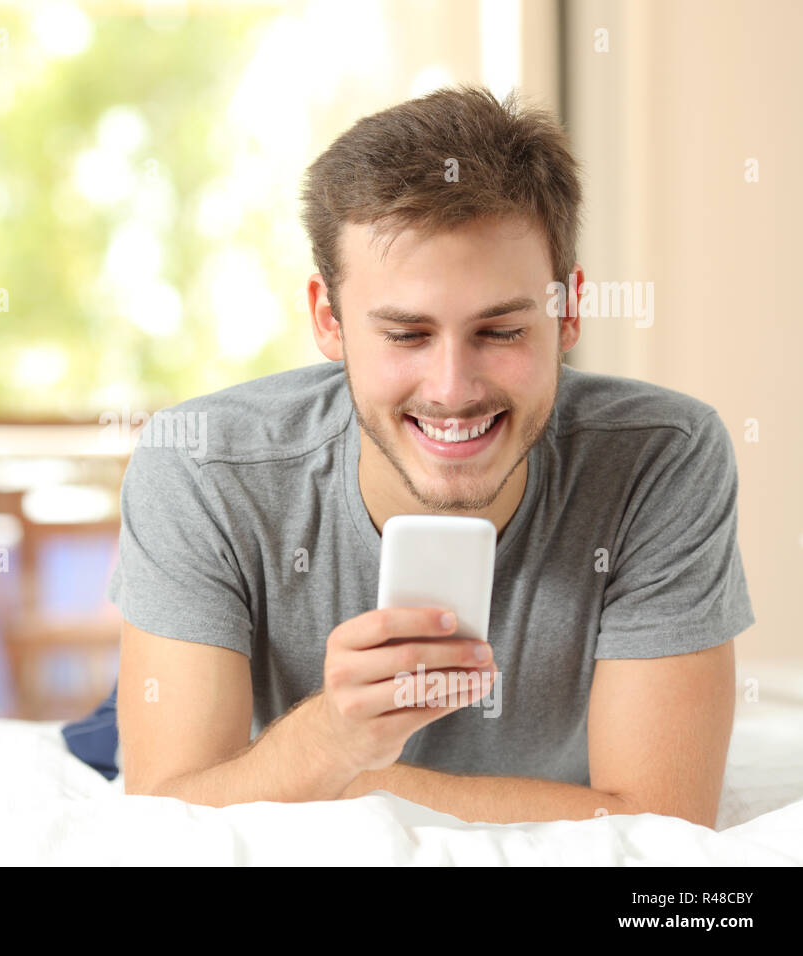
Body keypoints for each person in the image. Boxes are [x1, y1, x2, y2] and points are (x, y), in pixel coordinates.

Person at [62, 85, 753, 826]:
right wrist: (333, 733)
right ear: (330, 321)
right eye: (405, 334)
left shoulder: (663, 459)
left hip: (300, 751)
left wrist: (358, 780)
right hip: (254, 687)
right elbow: (168, 811)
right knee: (108, 738)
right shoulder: (198, 467)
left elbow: (663, 820)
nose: (453, 390)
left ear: (569, 309)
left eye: (502, 331)